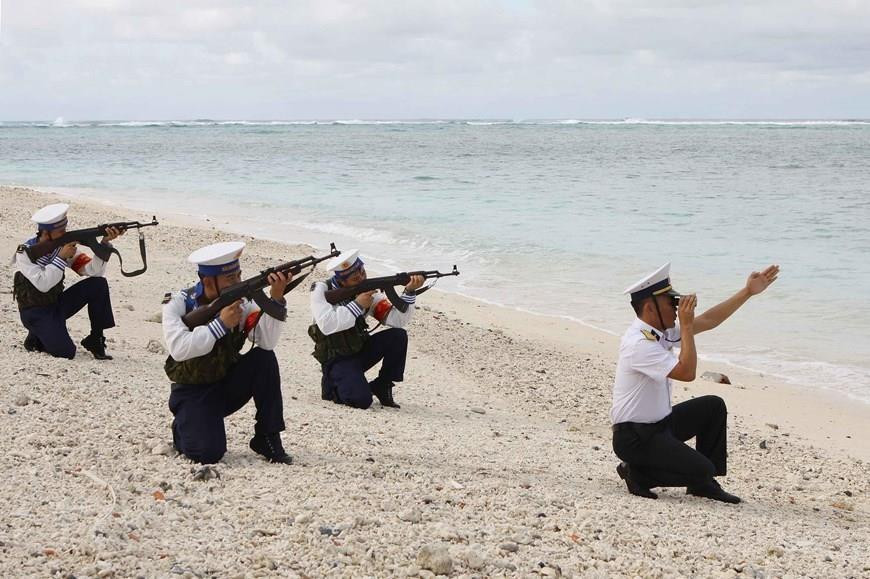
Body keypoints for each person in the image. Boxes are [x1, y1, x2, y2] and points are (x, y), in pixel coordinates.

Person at [611, 262, 780, 503]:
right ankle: (638, 473)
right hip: (635, 438)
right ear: (650, 308)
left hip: (660, 425)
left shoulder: (659, 332)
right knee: (702, 468)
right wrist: (687, 326)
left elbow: (710, 320)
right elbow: (687, 372)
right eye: (671, 303)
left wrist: (747, 292)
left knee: (713, 406)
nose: (676, 307)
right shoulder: (638, 344)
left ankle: (703, 485)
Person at [162, 241, 293, 465]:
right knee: (207, 454)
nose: (238, 283)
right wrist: (220, 325)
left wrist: (276, 298)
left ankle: (267, 436)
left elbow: (266, 342)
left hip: (225, 385)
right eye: (231, 279)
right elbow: (179, 348)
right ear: (207, 281)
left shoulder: (241, 303)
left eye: (239, 276)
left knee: (264, 359)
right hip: (192, 393)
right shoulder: (178, 303)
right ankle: (183, 427)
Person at [308, 250, 424, 409]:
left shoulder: (368, 293)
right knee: (361, 401)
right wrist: (357, 305)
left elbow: (397, 320)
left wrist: (409, 292)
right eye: (355, 278)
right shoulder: (320, 290)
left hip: (359, 350)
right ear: (341, 281)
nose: (362, 278)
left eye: (363, 272)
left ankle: (382, 385)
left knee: (398, 336)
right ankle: (332, 385)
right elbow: (327, 325)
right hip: (336, 359)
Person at [13, 203, 123, 360]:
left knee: (98, 284)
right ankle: (36, 335)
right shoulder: (26, 252)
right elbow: (43, 285)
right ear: (46, 232)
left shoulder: (62, 246)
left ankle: (96, 339)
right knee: (66, 352)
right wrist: (60, 258)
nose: (65, 234)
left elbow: (93, 271)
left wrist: (104, 244)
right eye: (61, 231)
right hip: (35, 312)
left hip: (56, 304)